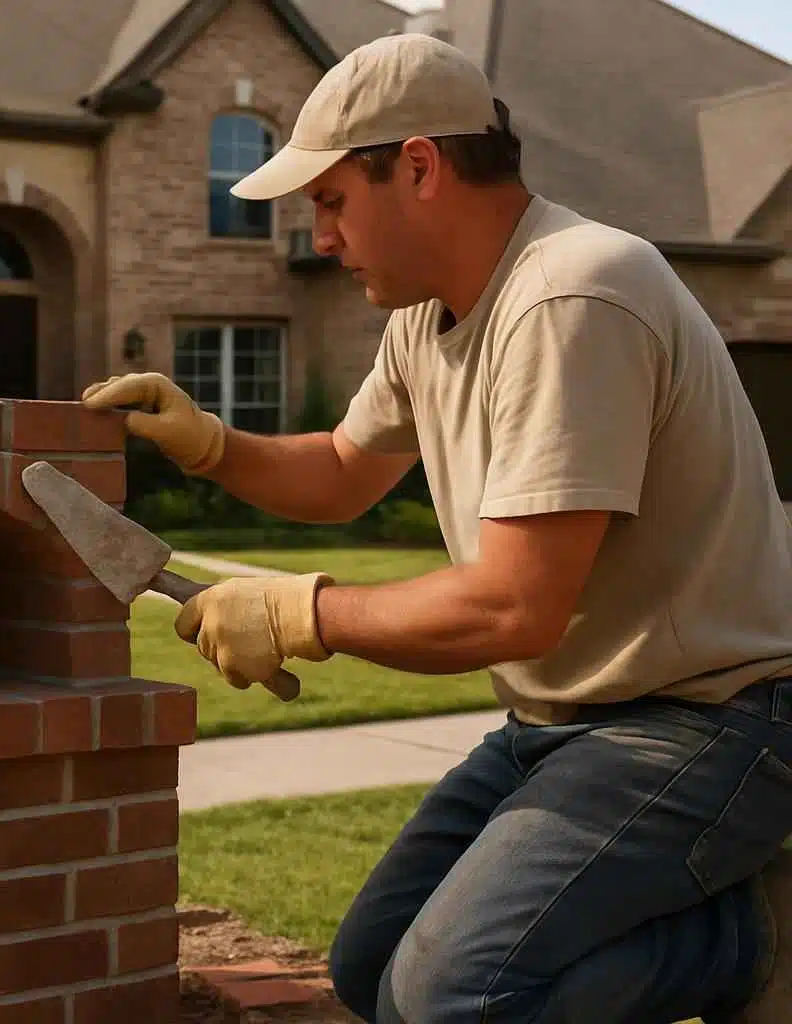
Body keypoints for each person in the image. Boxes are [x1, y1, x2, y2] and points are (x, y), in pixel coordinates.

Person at [81, 32, 792, 1024]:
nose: (321, 238)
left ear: (417, 165)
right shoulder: (426, 314)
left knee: (451, 995)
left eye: (330, 201)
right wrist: (205, 443)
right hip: (559, 724)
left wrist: (301, 612)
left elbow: (515, 603)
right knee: (371, 968)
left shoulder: (573, 293)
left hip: (710, 721)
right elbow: (340, 471)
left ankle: (746, 942)